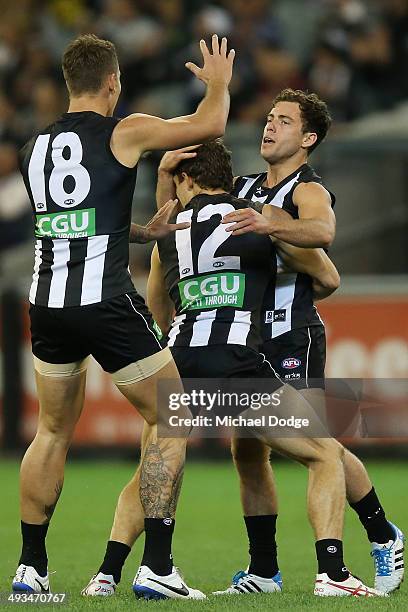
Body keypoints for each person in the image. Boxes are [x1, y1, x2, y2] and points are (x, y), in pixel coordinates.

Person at [84, 140, 386, 598]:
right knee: (323, 454)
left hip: (179, 362)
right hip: (237, 365)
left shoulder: (169, 229)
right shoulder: (257, 217)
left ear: (185, 179)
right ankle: (333, 575)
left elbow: (156, 301)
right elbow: (327, 278)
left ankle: (113, 575)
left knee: (155, 465)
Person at [13, 32, 235, 600]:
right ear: (112, 82)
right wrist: (218, 83)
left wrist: (140, 232)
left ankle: (30, 569)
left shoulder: (33, 146)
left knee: (52, 430)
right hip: (106, 301)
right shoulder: (125, 129)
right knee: (172, 418)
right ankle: (157, 565)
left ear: (69, 84)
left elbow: (67, 222)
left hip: (48, 304)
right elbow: (208, 124)